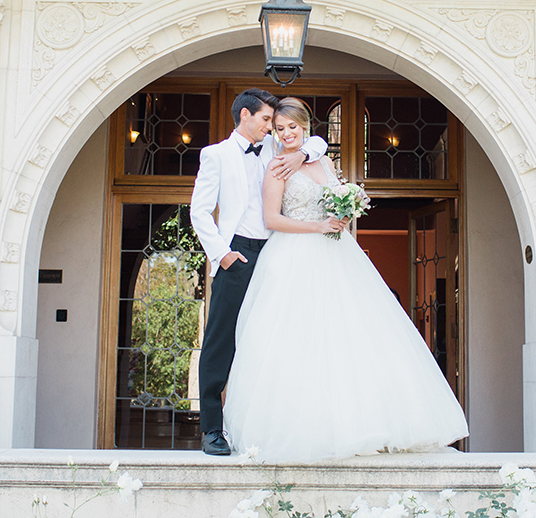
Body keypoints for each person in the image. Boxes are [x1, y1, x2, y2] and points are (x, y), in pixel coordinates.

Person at [223, 98, 469, 463]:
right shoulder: (275, 168)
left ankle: (363, 425)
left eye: (293, 127)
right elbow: (272, 219)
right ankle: (302, 430)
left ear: (305, 128)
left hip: (336, 253)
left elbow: (334, 191)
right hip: (293, 254)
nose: (287, 134)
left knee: (349, 334)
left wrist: (343, 209)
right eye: (279, 129)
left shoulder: (321, 159)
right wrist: (317, 226)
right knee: (296, 339)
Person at [189, 88, 335, 456]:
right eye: (267, 120)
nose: (274, 128)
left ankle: (266, 425)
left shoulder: (274, 147)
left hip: (276, 252)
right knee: (222, 338)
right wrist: (222, 255)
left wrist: (302, 152)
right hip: (237, 252)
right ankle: (211, 430)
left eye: (275, 122)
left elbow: (314, 141)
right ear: (245, 116)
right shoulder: (216, 155)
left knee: (270, 339)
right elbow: (199, 211)